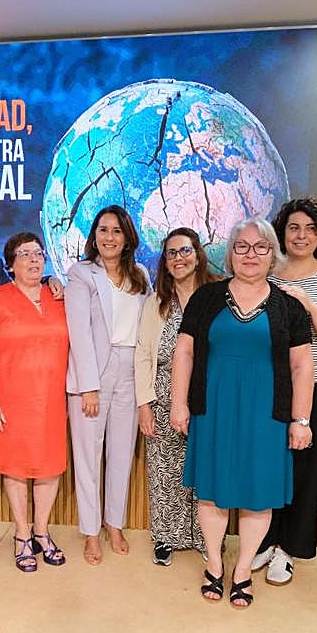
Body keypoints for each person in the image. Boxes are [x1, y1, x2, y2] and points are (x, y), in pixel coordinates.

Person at [170, 218, 313, 609]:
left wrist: (301, 420)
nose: (251, 255)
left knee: (257, 494)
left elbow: (302, 366)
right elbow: (185, 352)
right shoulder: (206, 298)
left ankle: (244, 569)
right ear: (230, 254)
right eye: (242, 246)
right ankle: (215, 565)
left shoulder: (289, 306)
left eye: (260, 247)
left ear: (273, 254)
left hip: (267, 414)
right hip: (213, 408)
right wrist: (179, 403)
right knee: (212, 491)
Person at [254, 197, 317, 585]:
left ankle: (289, 548)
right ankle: (265, 539)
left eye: (311, 229)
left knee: (305, 469)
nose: (301, 236)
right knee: (268, 463)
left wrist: (308, 304)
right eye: (294, 227)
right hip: (270, 385)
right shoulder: (267, 273)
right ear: (282, 232)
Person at [0, 232, 70, 572]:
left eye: (38, 253)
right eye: (24, 254)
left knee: (49, 467)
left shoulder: (59, 297)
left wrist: (55, 281)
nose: (33, 259)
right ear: (10, 264)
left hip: (51, 401)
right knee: (15, 468)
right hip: (10, 402)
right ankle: (22, 535)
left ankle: (42, 532)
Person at [65, 205, 151, 564]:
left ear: (127, 237)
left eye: (117, 231)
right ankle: (90, 532)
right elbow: (79, 333)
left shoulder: (140, 275)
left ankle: (114, 524)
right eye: (103, 230)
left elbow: (148, 326)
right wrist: (89, 386)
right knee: (88, 457)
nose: (109, 237)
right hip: (93, 374)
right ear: (94, 235)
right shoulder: (81, 273)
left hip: (130, 370)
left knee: (121, 453)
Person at [135, 227, 219, 566]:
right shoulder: (156, 303)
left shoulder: (217, 297)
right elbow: (143, 354)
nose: (179, 258)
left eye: (185, 250)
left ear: (198, 255)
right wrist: (145, 404)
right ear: (165, 262)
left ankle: (206, 537)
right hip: (163, 396)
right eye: (171, 253)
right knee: (164, 469)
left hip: (208, 396)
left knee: (206, 467)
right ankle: (166, 537)